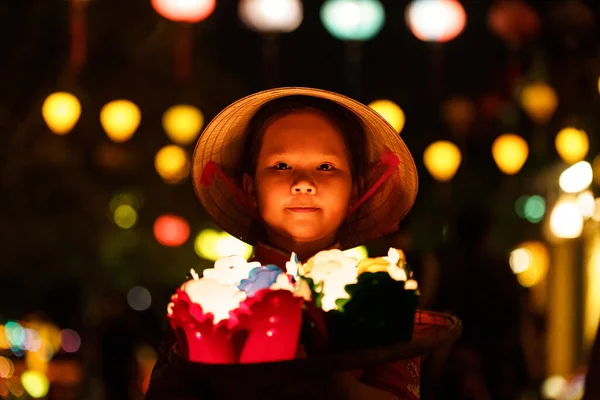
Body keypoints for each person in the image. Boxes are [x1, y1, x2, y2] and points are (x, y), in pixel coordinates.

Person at [146, 88, 420, 399]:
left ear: (356, 191)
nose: (303, 183)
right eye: (281, 166)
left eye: (326, 167)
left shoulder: (382, 300)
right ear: (251, 188)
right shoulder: (206, 302)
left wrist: (326, 380)